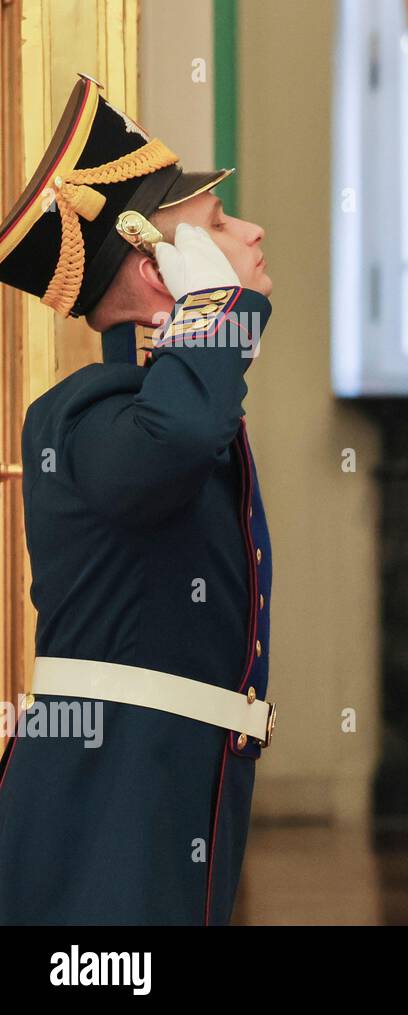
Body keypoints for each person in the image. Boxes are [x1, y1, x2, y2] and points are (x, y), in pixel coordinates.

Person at [0, 74, 275, 924]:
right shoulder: (85, 412)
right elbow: (172, 442)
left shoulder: (162, 398)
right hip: (108, 790)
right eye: (218, 225)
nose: (251, 229)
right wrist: (220, 319)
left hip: (169, 774)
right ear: (165, 272)